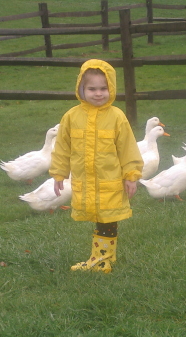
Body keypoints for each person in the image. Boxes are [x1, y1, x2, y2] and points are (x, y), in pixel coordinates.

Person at [49, 59, 144, 273]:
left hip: (110, 181)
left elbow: (128, 147)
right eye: (92, 88)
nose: (98, 93)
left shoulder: (117, 117)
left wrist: (131, 175)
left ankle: (102, 260)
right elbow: (62, 147)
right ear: (81, 89)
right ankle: (102, 258)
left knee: (108, 217)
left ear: (111, 88)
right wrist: (58, 173)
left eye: (104, 88)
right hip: (86, 181)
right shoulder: (72, 117)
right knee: (99, 217)